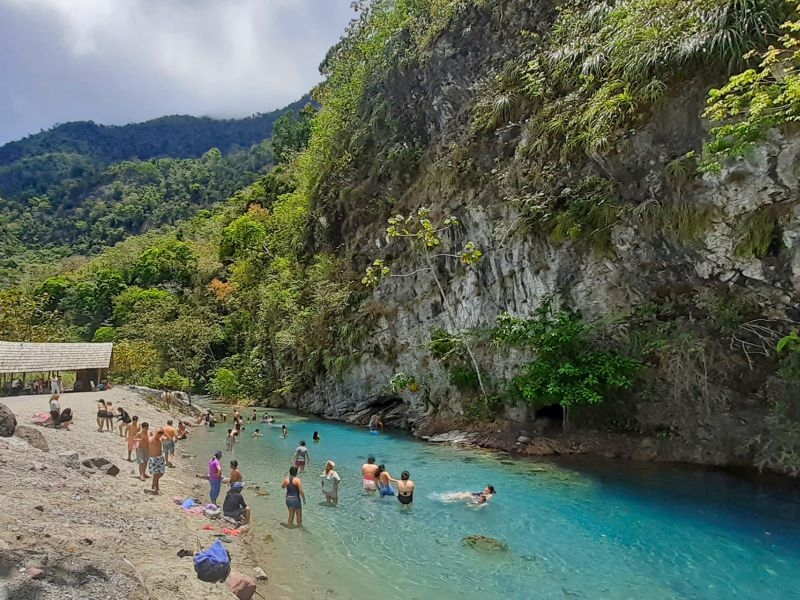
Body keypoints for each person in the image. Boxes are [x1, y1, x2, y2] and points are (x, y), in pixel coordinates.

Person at [148, 429, 166, 494]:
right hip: (154, 459)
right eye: (158, 433)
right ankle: (157, 489)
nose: (160, 435)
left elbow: (167, 438)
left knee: (161, 473)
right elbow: (151, 442)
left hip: (160, 458)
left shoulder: (161, 438)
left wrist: (163, 431)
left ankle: (154, 482)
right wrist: (155, 434)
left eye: (161, 434)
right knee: (156, 474)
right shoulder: (151, 439)